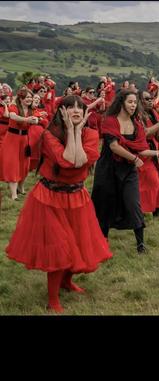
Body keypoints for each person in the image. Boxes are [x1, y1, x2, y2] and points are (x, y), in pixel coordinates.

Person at [6, 95, 112, 313]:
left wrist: (76, 131)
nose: (75, 110)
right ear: (60, 112)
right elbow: (67, 161)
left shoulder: (91, 133)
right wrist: (72, 131)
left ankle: (66, 282)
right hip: (49, 197)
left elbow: (80, 161)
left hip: (76, 197)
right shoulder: (49, 135)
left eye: (79, 108)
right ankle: (52, 299)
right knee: (59, 248)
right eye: (69, 107)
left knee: (78, 244)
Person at [91, 90, 159, 253]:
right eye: (130, 102)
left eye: (135, 102)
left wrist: (156, 153)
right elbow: (114, 146)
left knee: (133, 204)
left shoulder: (137, 125)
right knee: (105, 205)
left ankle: (140, 244)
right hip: (108, 169)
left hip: (128, 170)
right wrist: (134, 159)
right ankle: (103, 242)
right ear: (121, 103)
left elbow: (141, 149)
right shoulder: (110, 121)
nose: (133, 105)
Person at [0, 88, 38, 200]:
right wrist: (27, 119)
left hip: (24, 139)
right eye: (27, 97)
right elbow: (12, 116)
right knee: (13, 165)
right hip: (12, 138)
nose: (29, 99)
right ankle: (13, 195)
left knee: (24, 165)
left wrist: (35, 119)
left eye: (30, 98)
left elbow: (36, 120)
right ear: (21, 98)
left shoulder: (32, 109)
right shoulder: (14, 107)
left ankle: (20, 188)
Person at [138, 90, 159, 217]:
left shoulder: (152, 114)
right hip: (140, 151)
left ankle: (155, 208)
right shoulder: (137, 116)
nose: (150, 100)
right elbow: (144, 133)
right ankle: (140, 209)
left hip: (152, 151)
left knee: (154, 181)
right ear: (139, 101)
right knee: (144, 182)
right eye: (146, 99)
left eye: (151, 98)